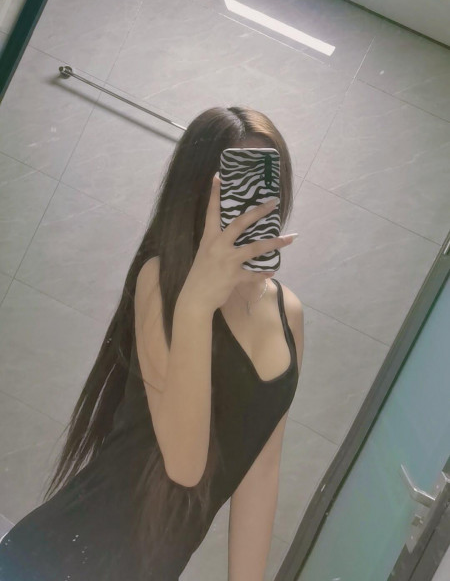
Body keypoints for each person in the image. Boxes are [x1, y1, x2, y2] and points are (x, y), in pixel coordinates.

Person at [0, 105, 304, 581]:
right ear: (200, 194)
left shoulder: (289, 316)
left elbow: (262, 471)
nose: (252, 207)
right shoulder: (161, 281)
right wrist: (197, 304)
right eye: (233, 189)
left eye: (266, 184)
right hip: (55, 558)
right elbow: (185, 466)